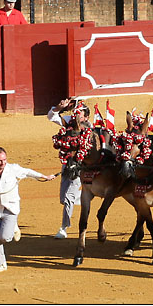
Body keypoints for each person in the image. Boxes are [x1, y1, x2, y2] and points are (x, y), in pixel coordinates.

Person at [0, 147, 56, 271]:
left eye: (4, 160)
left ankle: (14, 227)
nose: (2, 163)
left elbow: (28, 172)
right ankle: (2, 264)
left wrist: (44, 176)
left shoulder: (13, 169)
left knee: (4, 238)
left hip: (11, 209)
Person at [47, 99, 92, 239]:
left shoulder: (89, 128)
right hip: (66, 164)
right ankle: (81, 197)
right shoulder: (69, 122)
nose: (77, 117)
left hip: (80, 167)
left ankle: (63, 228)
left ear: (86, 117)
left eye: (80, 114)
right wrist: (60, 107)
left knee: (67, 198)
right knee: (63, 198)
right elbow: (51, 116)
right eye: (75, 114)